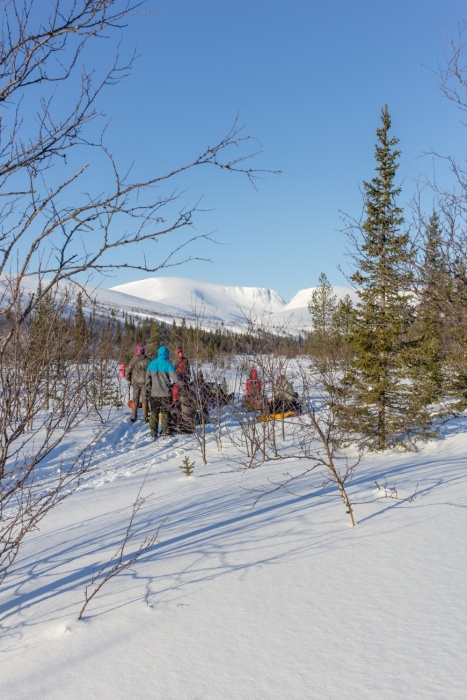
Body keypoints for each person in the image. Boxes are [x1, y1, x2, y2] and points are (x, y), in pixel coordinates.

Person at [146, 345, 181, 438]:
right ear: (166, 354)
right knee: (166, 412)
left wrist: (149, 389)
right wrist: (181, 384)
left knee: (154, 412)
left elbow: (147, 379)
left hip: (154, 394)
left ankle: (153, 431)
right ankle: (166, 430)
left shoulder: (151, 364)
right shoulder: (168, 364)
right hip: (166, 394)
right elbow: (175, 378)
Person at [126, 345, 150, 423]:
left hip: (136, 382)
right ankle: (145, 417)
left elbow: (128, 369)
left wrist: (128, 379)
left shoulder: (134, 359)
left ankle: (133, 416)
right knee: (144, 400)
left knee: (135, 399)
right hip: (144, 382)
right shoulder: (148, 360)